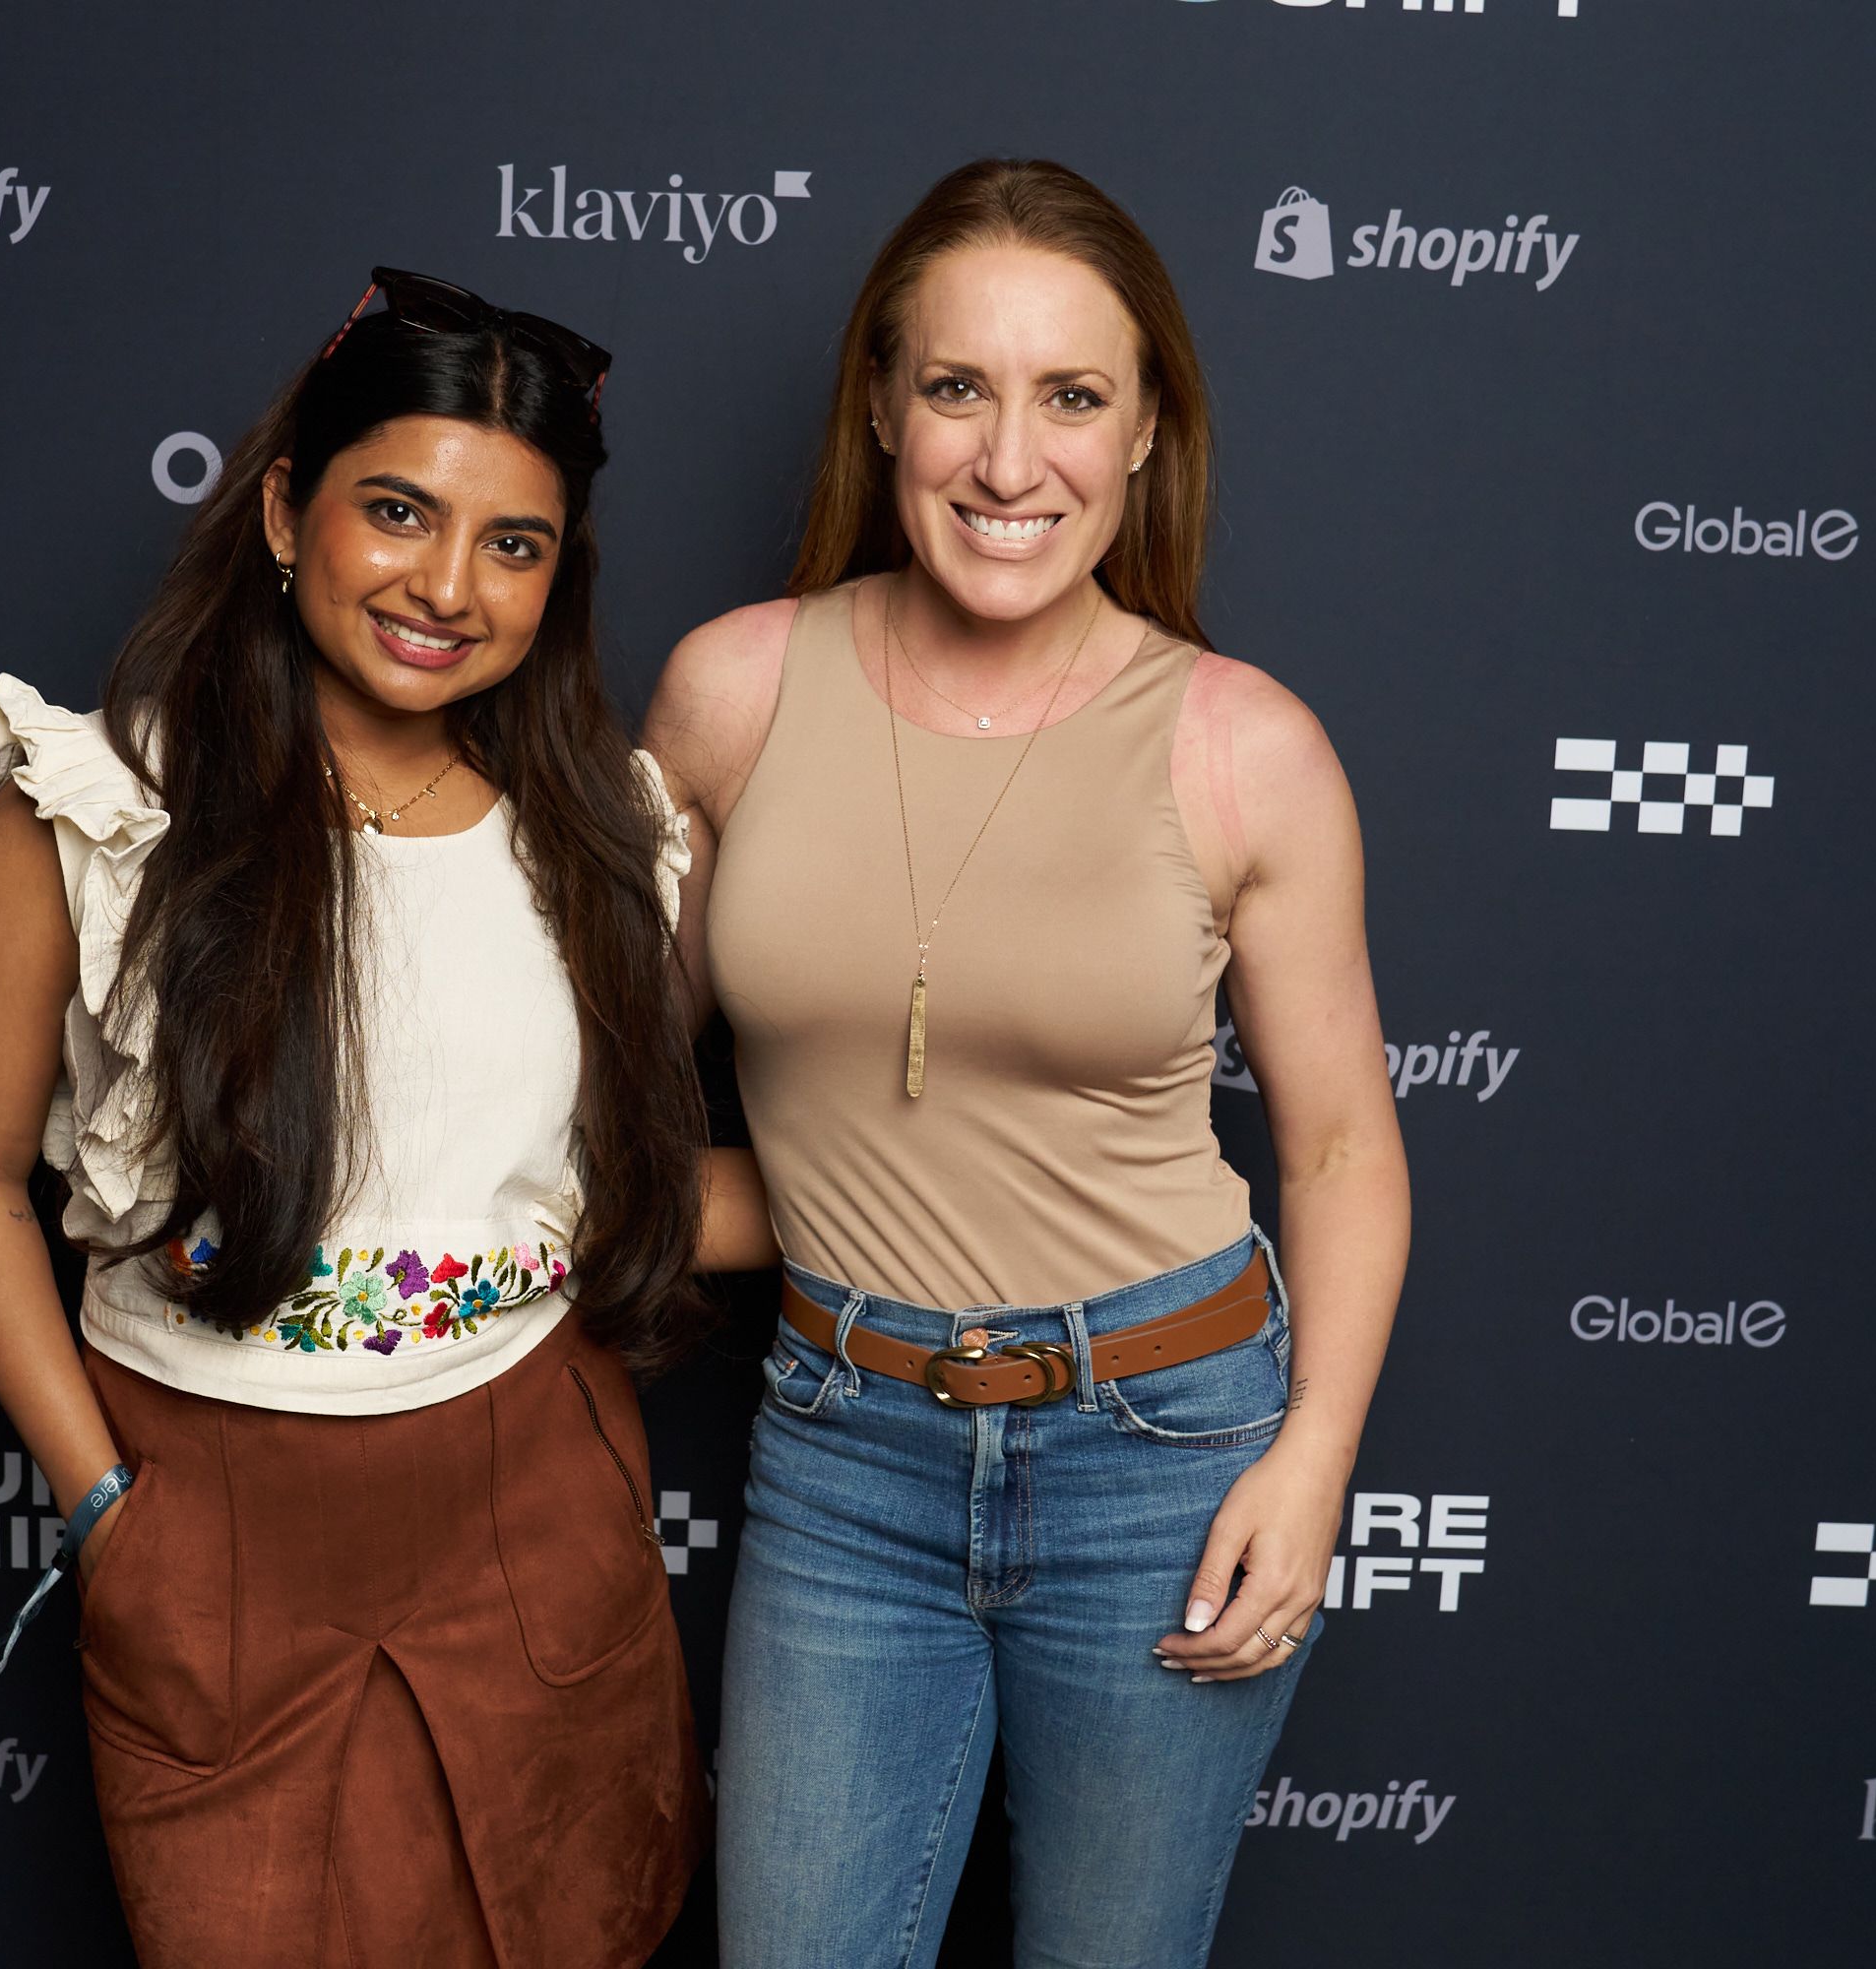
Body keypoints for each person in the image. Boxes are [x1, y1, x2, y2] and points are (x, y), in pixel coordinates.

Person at [0, 268, 770, 1969]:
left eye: (513, 545)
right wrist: (104, 1512)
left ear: (558, 576)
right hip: (214, 1515)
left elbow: (611, 1189)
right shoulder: (95, 809)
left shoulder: (608, 833)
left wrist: (995, 1204)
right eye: (399, 512)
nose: (448, 588)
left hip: (533, 1495)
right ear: (290, 509)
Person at [644, 160, 1412, 1968]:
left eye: (1073, 396)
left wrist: (1311, 1469)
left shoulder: (1244, 747)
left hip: (1168, 1451)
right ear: (882, 410)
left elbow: (1348, 1152)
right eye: (960, 390)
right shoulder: (732, 695)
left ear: (1148, 434)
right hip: (848, 1451)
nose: (1011, 462)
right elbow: (604, 1100)